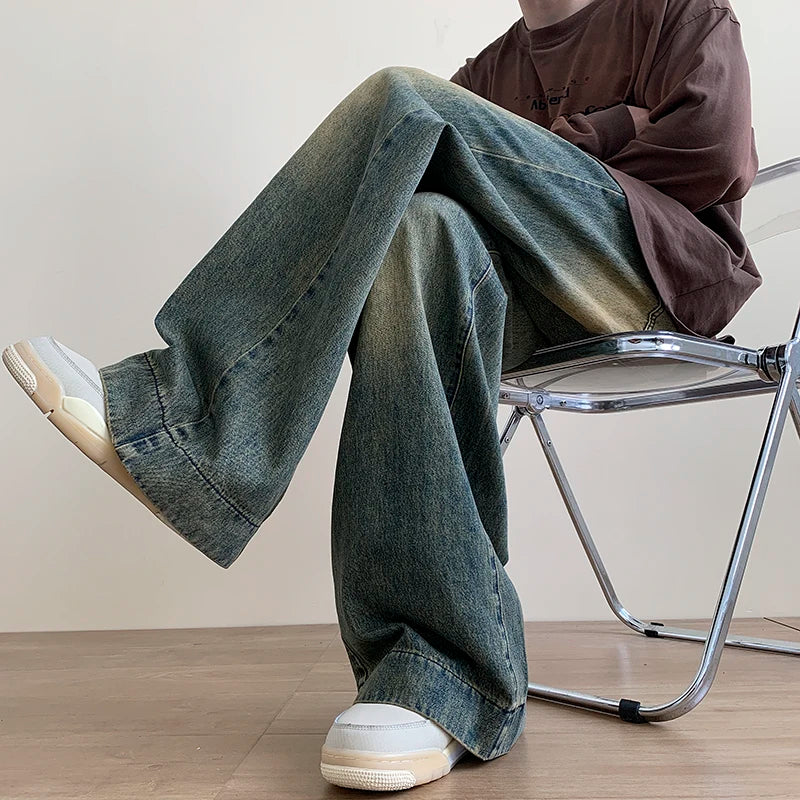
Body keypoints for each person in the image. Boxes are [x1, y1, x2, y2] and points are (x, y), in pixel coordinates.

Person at [2, 0, 758, 792]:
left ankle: (190, 422)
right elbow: (438, 193)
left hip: (655, 283)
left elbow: (713, 151)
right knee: (414, 238)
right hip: (526, 303)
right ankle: (434, 672)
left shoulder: (680, 13)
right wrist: (611, 128)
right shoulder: (491, 71)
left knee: (406, 99)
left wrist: (590, 138)